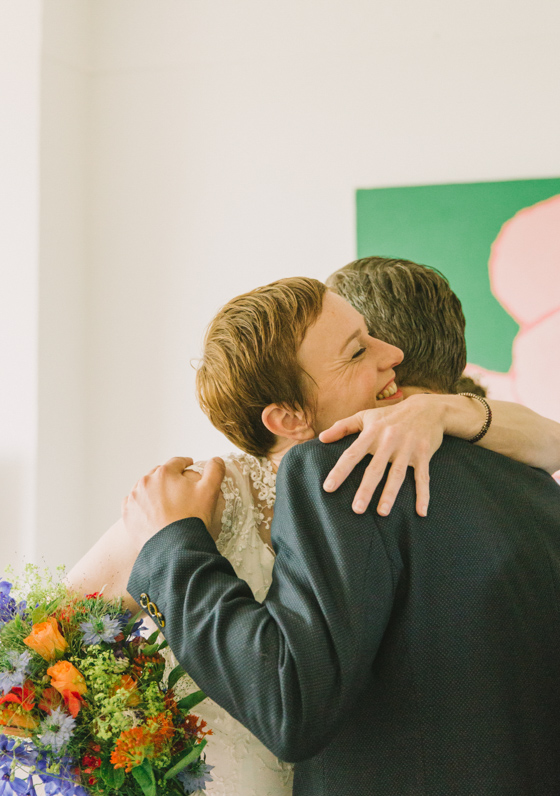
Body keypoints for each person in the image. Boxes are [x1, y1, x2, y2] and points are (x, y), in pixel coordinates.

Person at [67, 259, 560, 795]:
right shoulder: (533, 480)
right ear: (286, 417)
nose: (388, 354)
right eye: (358, 347)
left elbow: (289, 702)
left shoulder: (339, 470)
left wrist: (174, 545)